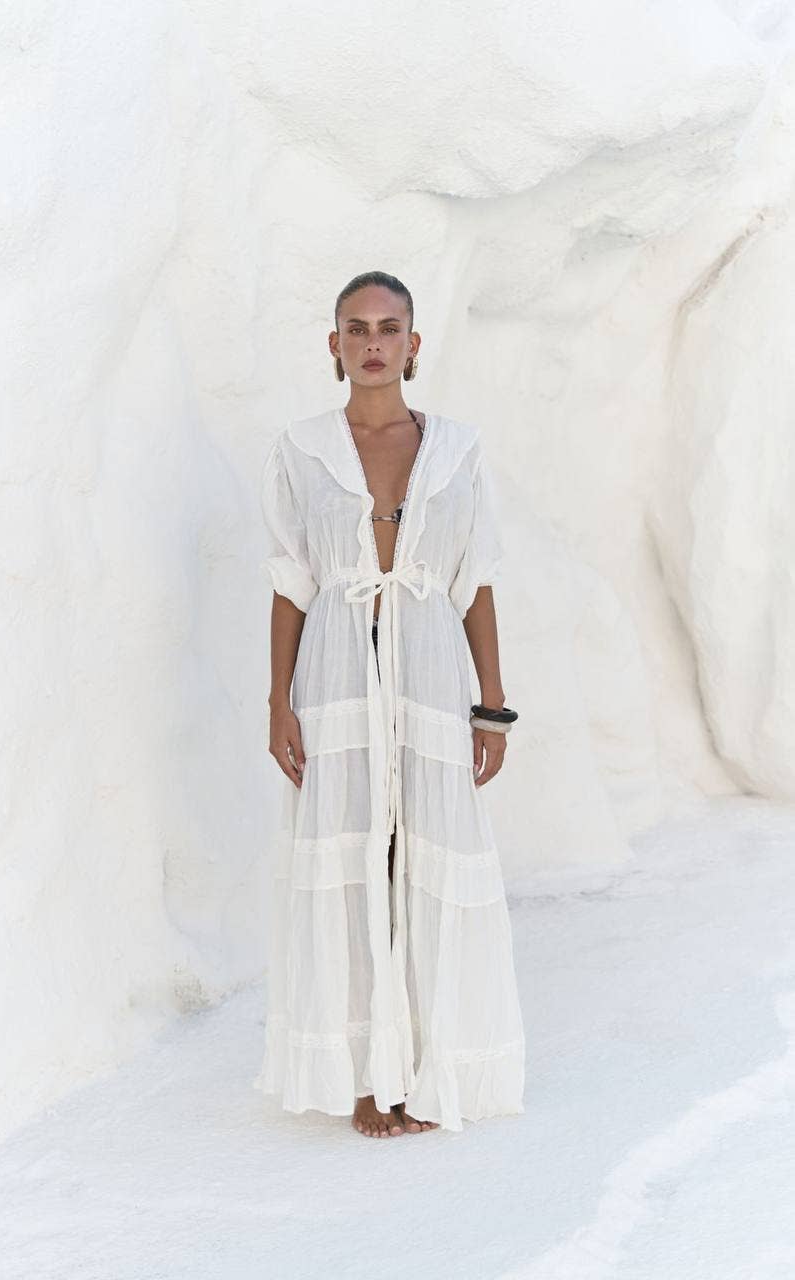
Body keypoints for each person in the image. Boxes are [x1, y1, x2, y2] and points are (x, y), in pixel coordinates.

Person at [254, 271, 525, 1139]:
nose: (372, 342)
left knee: (425, 855)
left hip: (430, 672)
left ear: (413, 344)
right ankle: (370, 1077)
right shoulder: (301, 449)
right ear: (333, 345)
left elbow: (473, 580)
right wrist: (278, 703)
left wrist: (491, 705)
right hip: (336, 671)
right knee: (355, 861)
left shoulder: (456, 449)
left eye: (388, 327)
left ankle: (432, 1065)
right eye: (356, 327)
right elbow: (291, 583)